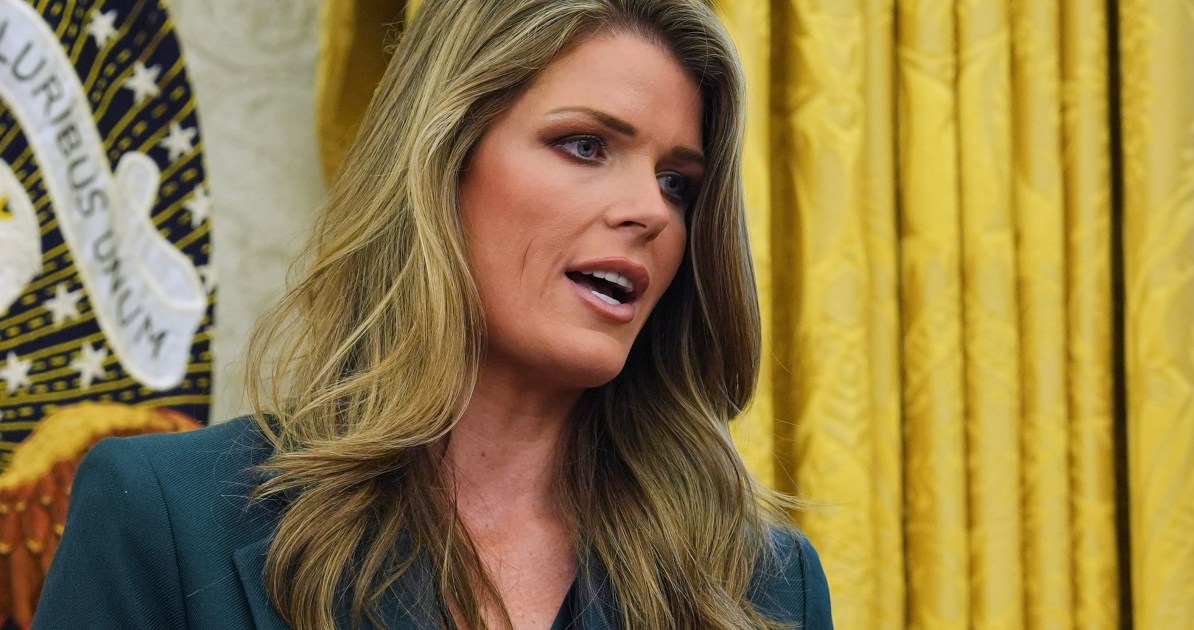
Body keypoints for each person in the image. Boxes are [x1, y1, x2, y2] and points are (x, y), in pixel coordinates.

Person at [34, 0, 834, 628]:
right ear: (442, 161)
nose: (650, 211)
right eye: (587, 146)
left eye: (677, 183)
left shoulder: (765, 584)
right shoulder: (163, 515)